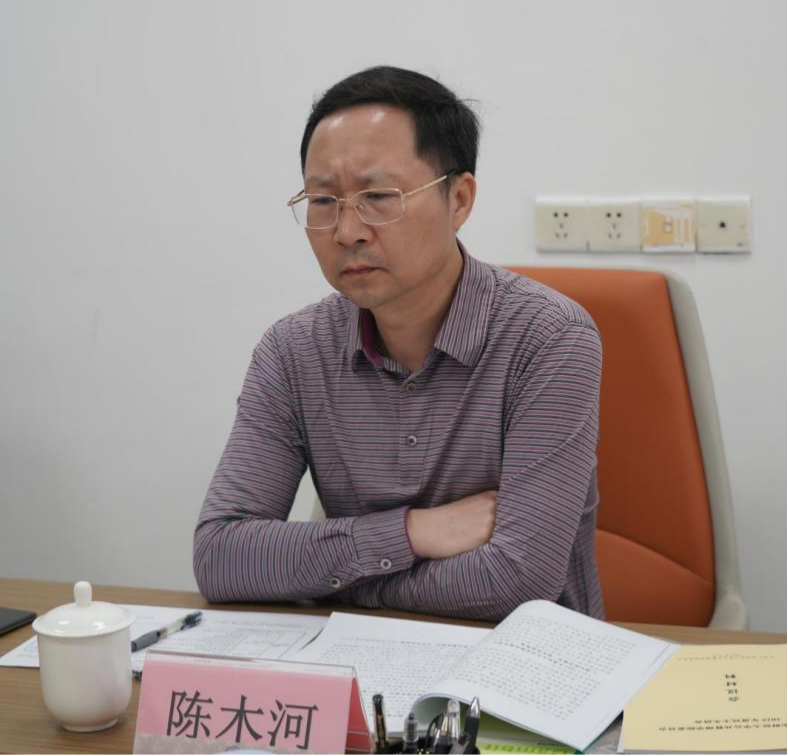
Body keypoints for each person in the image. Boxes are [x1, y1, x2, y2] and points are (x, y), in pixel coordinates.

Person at [193, 66, 604, 622]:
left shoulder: (549, 338)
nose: (347, 232)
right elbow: (220, 558)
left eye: (379, 196)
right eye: (323, 200)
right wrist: (413, 532)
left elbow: (517, 580)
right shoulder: (292, 351)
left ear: (459, 199)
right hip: (354, 661)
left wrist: (331, 584)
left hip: (524, 661)